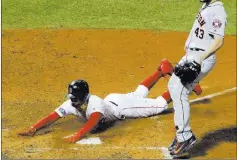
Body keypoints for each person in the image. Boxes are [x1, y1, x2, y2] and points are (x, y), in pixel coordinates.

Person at [18, 59, 202, 143]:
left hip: (124, 108)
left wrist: (76, 136)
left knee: (159, 105)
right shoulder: (73, 104)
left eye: (74, 98)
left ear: (83, 97)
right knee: (137, 94)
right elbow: (53, 116)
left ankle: (183, 80)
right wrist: (34, 128)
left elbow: (92, 122)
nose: (71, 101)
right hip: (114, 100)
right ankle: (162, 70)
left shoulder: (95, 104)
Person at [167, 0, 227, 158]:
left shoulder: (218, 11)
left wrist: (200, 58)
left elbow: (218, 41)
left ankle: (184, 136)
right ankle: (182, 134)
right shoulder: (207, 6)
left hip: (201, 57)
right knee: (173, 86)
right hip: (191, 55)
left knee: (180, 91)